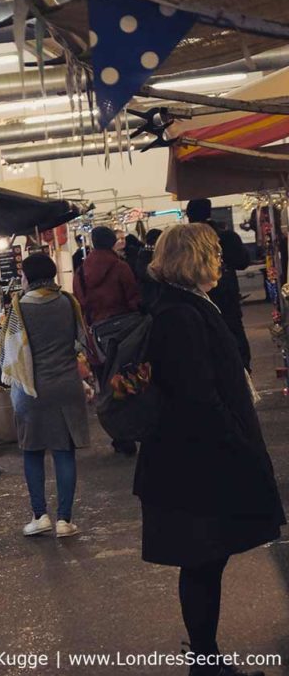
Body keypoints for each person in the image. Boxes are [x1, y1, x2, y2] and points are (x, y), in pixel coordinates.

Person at [140, 225, 284, 675]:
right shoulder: (179, 314)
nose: (222, 261)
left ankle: (207, 658)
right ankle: (205, 661)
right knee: (202, 560)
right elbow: (198, 396)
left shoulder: (183, 306)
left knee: (206, 560)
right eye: (216, 254)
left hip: (192, 462)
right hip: (196, 466)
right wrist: (237, 441)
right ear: (196, 259)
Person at [0, 253, 91, 539]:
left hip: (30, 389)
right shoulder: (67, 302)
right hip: (66, 386)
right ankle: (64, 520)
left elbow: (7, 349)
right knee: (64, 451)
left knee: (33, 451)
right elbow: (81, 339)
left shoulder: (19, 307)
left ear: (28, 276)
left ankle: (40, 517)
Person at [73, 225, 141, 455]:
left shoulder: (81, 272)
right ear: (113, 242)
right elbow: (133, 299)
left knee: (105, 386)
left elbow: (80, 304)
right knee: (128, 383)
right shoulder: (121, 267)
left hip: (97, 339)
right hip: (125, 335)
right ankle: (133, 430)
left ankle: (118, 435)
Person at [187, 198, 252, 369]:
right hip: (227, 295)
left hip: (197, 298)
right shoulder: (226, 236)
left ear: (188, 215)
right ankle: (243, 369)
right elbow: (243, 262)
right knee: (234, 332)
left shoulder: (185, 241)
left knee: (205, 338)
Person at [134, 228, 163, 311]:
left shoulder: (142, 255)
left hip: (151, 299)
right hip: (153, 300)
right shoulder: (148, 256)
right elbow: (147, 276)